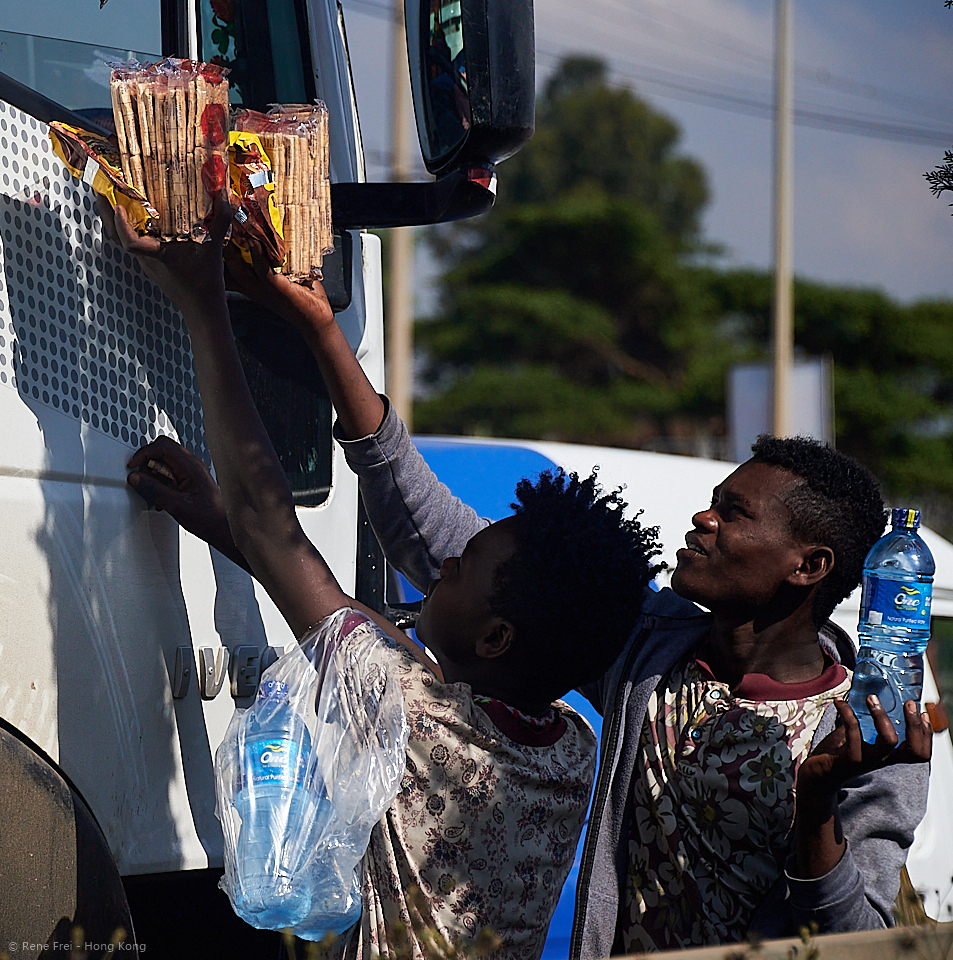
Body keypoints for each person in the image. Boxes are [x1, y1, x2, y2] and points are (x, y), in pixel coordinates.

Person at [180, 250, 933, 952]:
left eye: (732, 514)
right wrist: (322, 333)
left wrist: (815, 809)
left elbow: (858, 939)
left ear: (809, 566)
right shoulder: (642, 660)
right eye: (710, 502)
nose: (703, 520)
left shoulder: (863, 732)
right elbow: (433, 539)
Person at [104, 200, 664, 960]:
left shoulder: (410, 711)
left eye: (464, 566)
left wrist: (203, 301)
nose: (447, 561)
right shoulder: (566, 748)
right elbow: (354, 616)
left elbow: (284, 541)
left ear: (496, 637)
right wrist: (221, 523)